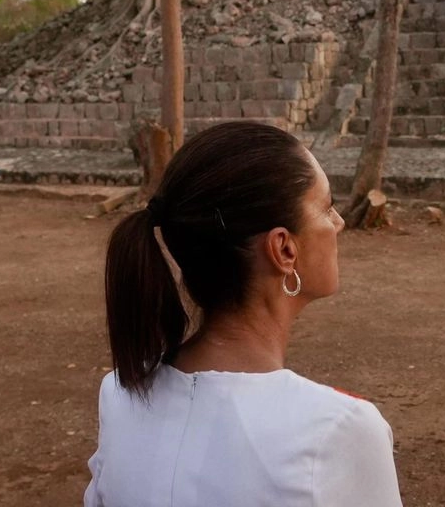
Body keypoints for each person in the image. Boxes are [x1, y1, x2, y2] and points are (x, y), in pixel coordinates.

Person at [84, 121, 403, 507]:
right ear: (284, 249)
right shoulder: (338, 430)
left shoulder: (121, 394)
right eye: (326, 206)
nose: (338, 222)